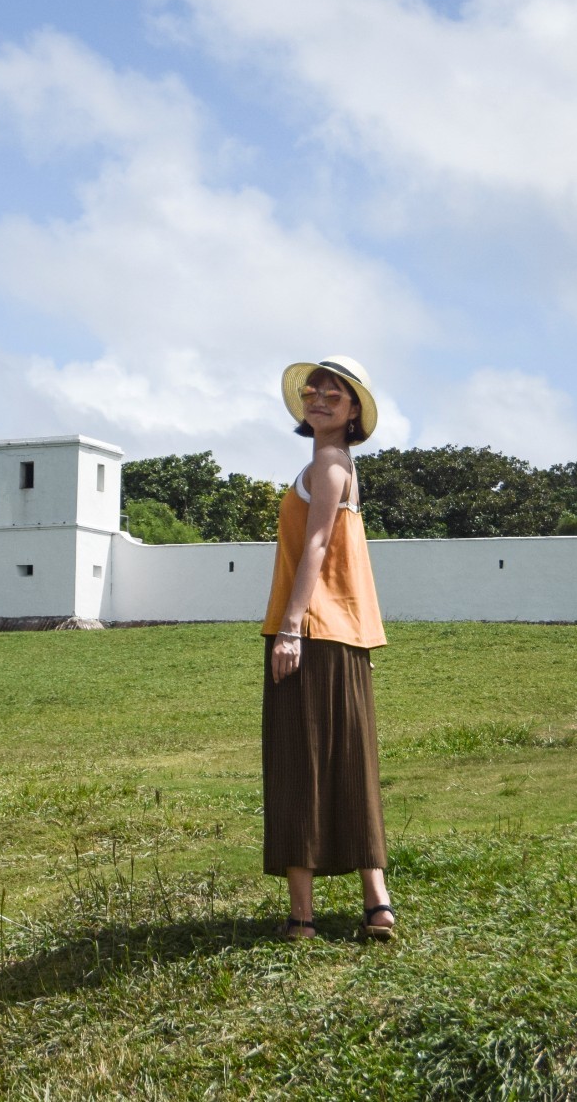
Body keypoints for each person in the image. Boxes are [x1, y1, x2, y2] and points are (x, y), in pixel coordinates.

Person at [260, 355, 395, 942]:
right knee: (351, 763)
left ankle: (303, 919)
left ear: (353, 412)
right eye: (313, 391)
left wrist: (290, 628)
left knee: (297, 767)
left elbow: (314, 547)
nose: (318, 400)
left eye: (333, 396)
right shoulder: (341, 466)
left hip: (311, 633)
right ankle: (377, 906)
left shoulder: (326, 464)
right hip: (349, 635)